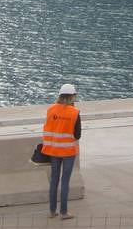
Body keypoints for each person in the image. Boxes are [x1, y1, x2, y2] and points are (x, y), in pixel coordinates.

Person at [42, 82, 81, 220]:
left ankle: (52, 211)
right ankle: (64, 212)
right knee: (65, 181)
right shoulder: (75, 112)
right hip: (68, 152)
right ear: (72, 97)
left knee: (54, 180)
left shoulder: (50, 110)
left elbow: (48, 128)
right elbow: (77, 135)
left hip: (53, 151)